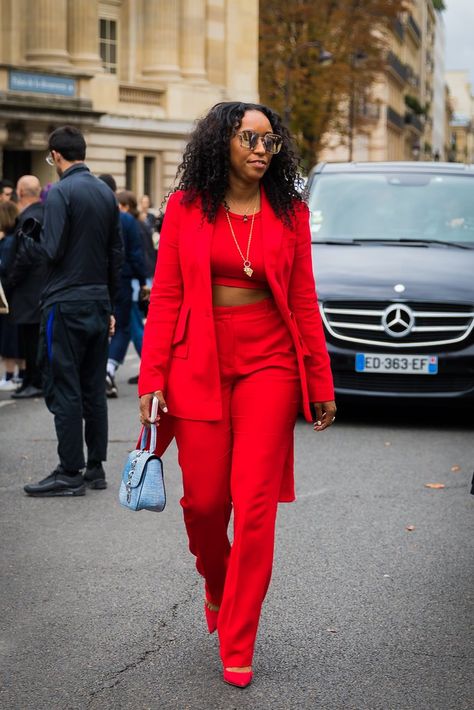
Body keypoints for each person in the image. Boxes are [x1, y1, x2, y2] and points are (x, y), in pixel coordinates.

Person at [138, 101, 336, 688]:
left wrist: (319, 383)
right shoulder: (185, 208)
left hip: (269, 361)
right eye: (249, 137)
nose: (259, 149)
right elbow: (166, 296)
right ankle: (218, 586)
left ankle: (239, 637)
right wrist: (151, 379)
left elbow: (303, 299)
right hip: (196, 358)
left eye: (269, 142)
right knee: (203, 504)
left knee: (253, 508)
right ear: (222, 141)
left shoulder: (290, 213)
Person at [23, 126, 123, 497]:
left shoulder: (61, 192)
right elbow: (116, 254)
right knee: (93, 387)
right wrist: (110, 303)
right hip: (97, 300)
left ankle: (69, 470)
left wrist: (31, 237)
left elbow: (51, 251)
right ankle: (95, 467)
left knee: (64, 386)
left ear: (55, 156)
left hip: (64, 303)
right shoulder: (105, 193)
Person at [98, 183, 146, 398]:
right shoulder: (127, 220)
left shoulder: (95, 216)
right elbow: (135, 253)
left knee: (99, 326)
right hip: (122, 280)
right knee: (122, 327)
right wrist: (142, 278)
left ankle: (98, 371)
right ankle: (107, 368)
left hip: (94, 280)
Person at [6, 175, 46, 398]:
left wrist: (11, 280)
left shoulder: (28, 217)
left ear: (20, 192)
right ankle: (31, 380)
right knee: (32, 338)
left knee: (30, 339)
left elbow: (24, 255)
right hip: (41, 287)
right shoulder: (46, 212)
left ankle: (34, 381)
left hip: (28, 289)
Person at [0, 200, 23, 390]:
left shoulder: (7, 242)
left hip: (8, 297)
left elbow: (5, 268)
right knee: (17, 337)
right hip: (18, 296)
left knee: (9, 338)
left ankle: (9, 376)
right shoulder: (16, 238)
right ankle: (21, 375)